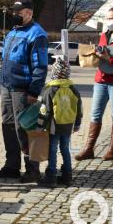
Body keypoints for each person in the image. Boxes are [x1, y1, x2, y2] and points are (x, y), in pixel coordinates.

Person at [0, 0, 49, 183]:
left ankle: (32, 168)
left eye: (19, 12)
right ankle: (12, 165)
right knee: (8, 125)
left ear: (29, 13)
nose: (15, 15)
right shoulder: (13, 32)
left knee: (24, 127)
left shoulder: (37, 34)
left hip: (23, 89)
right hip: (7, 86)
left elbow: (40, 66)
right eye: (14, 11)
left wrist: (34, 91)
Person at [76, 6, 113, 161]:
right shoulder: (105, 34)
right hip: (101, 79)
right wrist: (97, 53)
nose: (108, 21)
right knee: (95, 113)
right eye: (107, 18)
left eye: (111, 18)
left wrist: (111, 59)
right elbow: (103, 52)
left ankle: (112, 150)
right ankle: (89, 149)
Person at [36, 58, 82, 187]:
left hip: (54, 126)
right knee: (65, 149)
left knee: (52, 149)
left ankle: (51, 177)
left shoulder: (50, 90)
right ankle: (67, 175)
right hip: (68, 125)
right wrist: (77, 123)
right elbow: (79, 108)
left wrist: (40, 125)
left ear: (54, 73)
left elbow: (44, 110)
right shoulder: (73, 89)